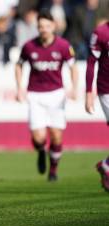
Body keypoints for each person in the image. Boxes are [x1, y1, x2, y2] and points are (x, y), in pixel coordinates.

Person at [15, 10, 78, 182]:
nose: (43, 29)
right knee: (38, 138)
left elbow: (73, 67)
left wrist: (73, 87)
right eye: (40, 26)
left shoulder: (63, 46)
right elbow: (18, 66)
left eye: (47, 26)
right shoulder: (29, 46)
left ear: (54, 27)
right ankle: (41, 150)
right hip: (35, 95)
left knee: (56, 135)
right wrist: (19, 88)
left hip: (56, 95)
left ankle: (53, 171)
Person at [85, 19, 109, 193]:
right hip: (107, 89)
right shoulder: (100, 33)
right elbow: (91, 62)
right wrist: (88, 91)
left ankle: (106, 165)